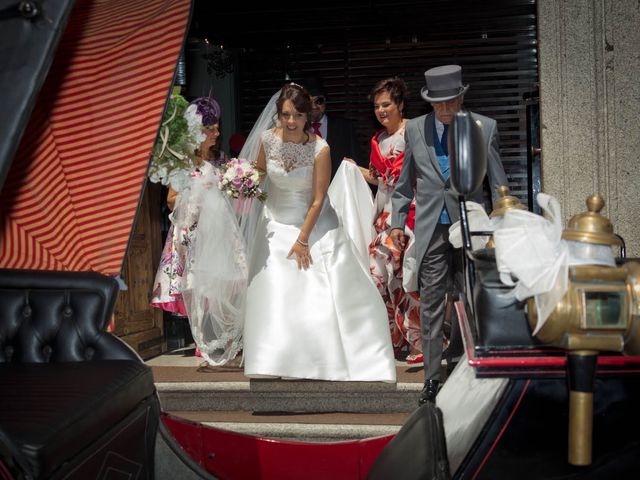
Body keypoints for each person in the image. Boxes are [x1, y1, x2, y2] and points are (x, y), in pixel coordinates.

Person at [185, 83, 397, 381]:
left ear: (307, 116)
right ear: (278, 115)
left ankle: (320, 359)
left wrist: (302, 240)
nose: (292, 121)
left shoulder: (320, 149)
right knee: (274, 289)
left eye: (297, 115)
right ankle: (272, 359)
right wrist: (241, 181)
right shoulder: (266, 140)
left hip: (313, 223)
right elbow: (259, 174)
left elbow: (319, 199)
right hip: (273, 222)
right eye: (286, 115)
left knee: (315, 291)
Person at [390, 65, 508, 404]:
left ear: (461, 97)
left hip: (469, 227)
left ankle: (460, 368)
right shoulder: (413, 130)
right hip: (431, 228)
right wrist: (398, 223)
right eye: (437, 104)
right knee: (431, 303)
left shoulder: (484, 128)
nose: (444, 111)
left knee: (466, 299)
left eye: (450, 103)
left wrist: (503, 221)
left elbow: (498, 184)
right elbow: (403, 186)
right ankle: (431, 378)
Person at [352, 78, 422, 364]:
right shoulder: (378, 140)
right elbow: (379, 179)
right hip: (384, 215)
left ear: (400, 104)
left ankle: (421, 342)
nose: (381, 110)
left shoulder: (414, 131)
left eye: (386, 104)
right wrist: (351, 169)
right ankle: (396, 339)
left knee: (408, 277)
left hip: (410, 212)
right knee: (384, 279)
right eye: (377, 106)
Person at [150, 96, 223, 318]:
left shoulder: (218, 161)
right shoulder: (182, 161)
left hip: (213, 229)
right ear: (198, 131)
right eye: (211, 129)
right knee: (192, 283)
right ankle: (199, 336)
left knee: (212, 283)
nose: (217, 134)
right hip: (189, 231)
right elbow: (171, 200)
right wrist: (194, 198)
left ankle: (210, 334)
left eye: (217, 129)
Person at [303, 76, 366, 179]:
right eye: (308, 102)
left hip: (340, 191)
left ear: (325, 101)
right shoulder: (298, 130)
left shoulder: (345, 128)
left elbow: (357, 165)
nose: (314, 106)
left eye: (318, 101)